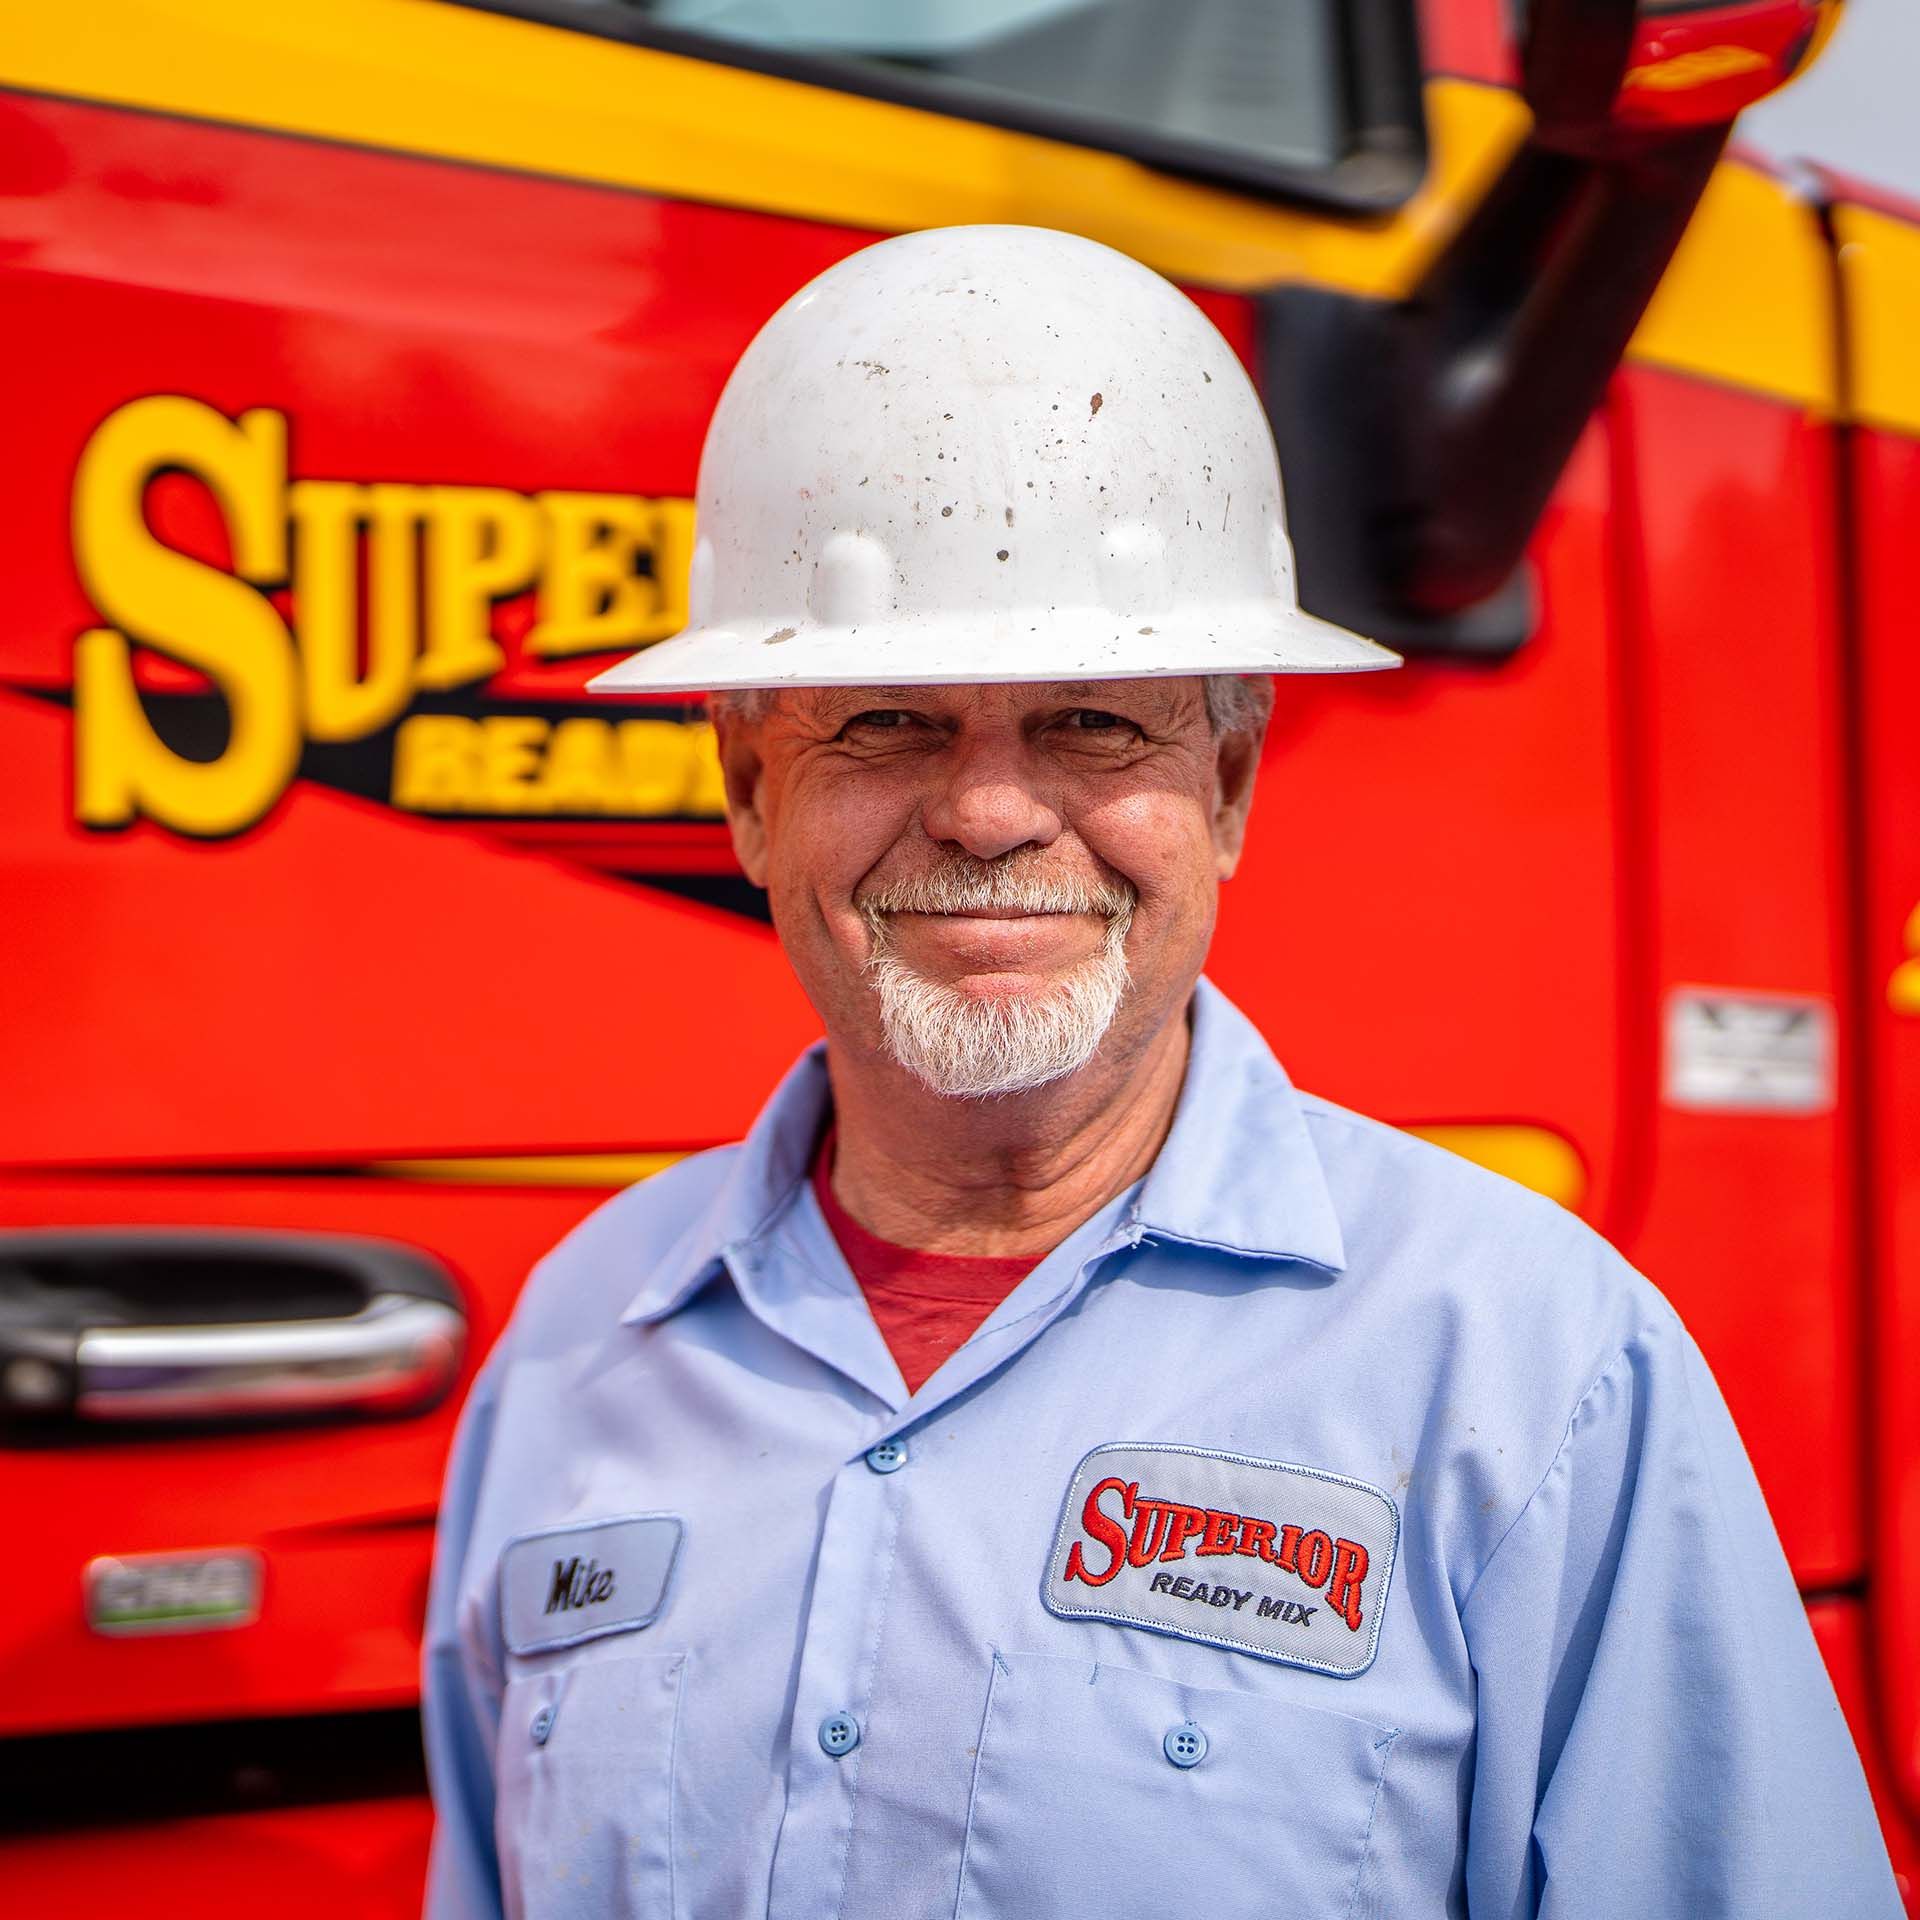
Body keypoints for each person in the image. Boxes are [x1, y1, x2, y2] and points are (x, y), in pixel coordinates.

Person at [420, 225, 1900, 1918]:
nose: (987, 812)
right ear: (754, 793)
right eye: (887, 723)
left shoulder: (1532, 1370)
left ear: (1231, 789)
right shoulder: (579, 1343)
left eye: (1095, 723)